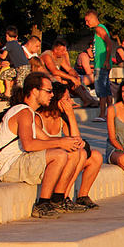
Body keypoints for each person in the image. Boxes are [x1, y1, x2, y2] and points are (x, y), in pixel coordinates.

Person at [0, 73, 84, 218]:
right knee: (60, 154)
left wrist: (70, 142)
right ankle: (42, 204)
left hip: (22, 162)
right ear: (35, 91)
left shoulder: (28, 112)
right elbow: (29, 144)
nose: (51, 95)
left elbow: (47, 140)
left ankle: (58, 199)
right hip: (10, 166)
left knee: (73, 152)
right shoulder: (23, 112)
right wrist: (60, 142)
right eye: (48, 91)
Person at [36, 82, 103, 210]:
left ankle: (82, 196)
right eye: (66, 99)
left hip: (62, 158)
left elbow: (76, 139)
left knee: (96, 156)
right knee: (80, 153)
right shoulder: (38, 117)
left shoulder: (61, 117)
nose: (70, 101)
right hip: (49, 160)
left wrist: (71, 115)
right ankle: (62, 197)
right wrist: (65, 142)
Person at [41, 38, 98, 108]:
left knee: (73, 81)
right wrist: (71, 77)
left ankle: (87, 100)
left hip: (54, 78)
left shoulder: (61, 57)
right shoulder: (47, 55)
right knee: (59, 78)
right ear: (55, 50)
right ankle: (64, 101)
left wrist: (76, 76)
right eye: (62, 51)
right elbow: (54, 71)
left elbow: (69, 69)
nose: (64, 52)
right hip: (45, 78)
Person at [84, 9, 114, 122]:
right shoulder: (101, 28)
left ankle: (102, 114)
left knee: (101, 89)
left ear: (93, 18)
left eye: (88, 21)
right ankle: (108, 112)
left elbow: (109, 43)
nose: (87, 24)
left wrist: (106, 60)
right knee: (106, 89)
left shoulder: (99, 29)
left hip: (101, 64)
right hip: (100, 62)